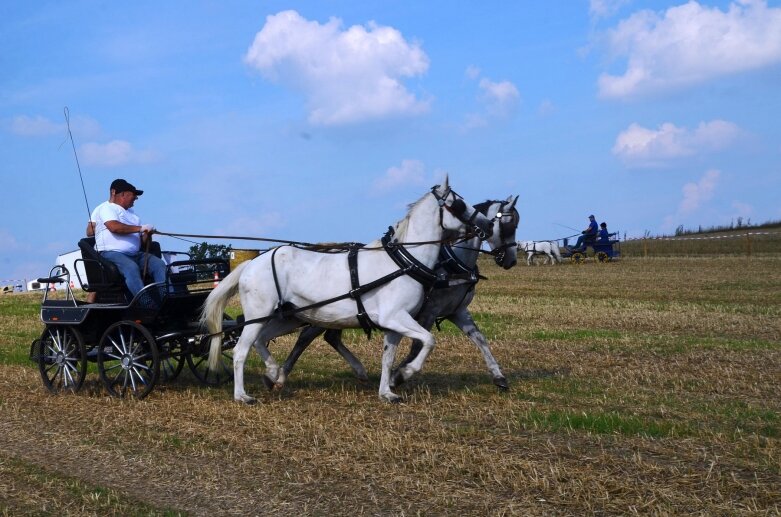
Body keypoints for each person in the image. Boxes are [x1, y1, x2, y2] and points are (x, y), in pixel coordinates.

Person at [91, 179, 166, 296]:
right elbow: (114, 227)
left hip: (136, 254)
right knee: (131, 268)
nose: (136, 198)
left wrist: (147, 234)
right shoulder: (107, 208)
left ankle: (165, 296)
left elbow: (143, 243)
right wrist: (140, 228)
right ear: (122, 194)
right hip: (111, 253)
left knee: (159, 264)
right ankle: (145, 302)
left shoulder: (134, 216)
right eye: (133, 195)